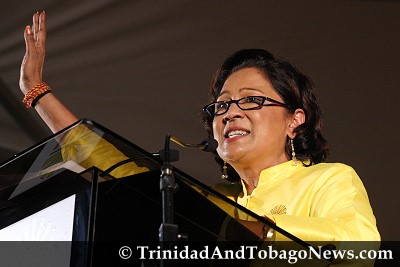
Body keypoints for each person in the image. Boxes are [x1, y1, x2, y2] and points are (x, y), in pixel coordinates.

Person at [20, 11, 380, 247]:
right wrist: (36, 93)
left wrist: (266, 231)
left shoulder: (329, 180)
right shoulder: (215, 201)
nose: (230, 114)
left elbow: (361, 245)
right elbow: (120, 170)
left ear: (294, 120)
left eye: (251, 100)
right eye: (222, 105)